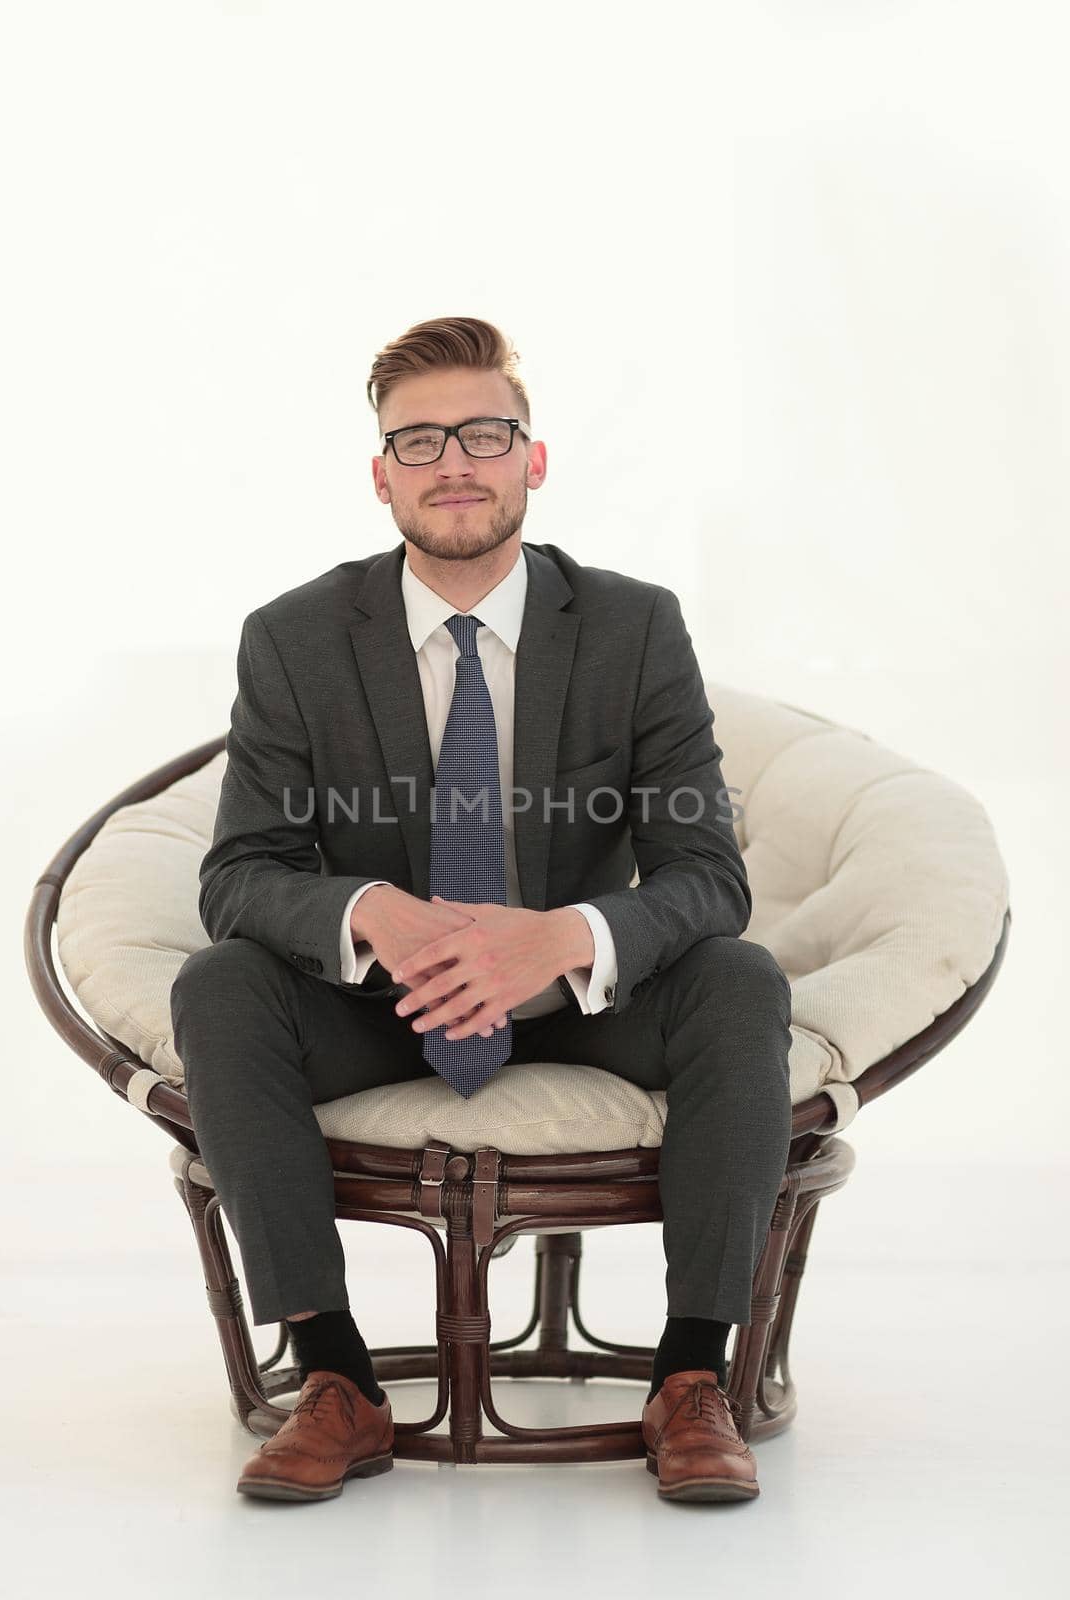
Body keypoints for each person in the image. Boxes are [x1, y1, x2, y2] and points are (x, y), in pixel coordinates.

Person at [170, 315, 793, 1505]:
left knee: (738, 977)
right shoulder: (295, 639)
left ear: (532, 459)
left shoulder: (632, 626)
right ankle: (335, 1378)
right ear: (381, 475)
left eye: (483, 432)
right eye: (418, 441)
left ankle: (690, 1374)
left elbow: (706, 872)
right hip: (381, 1000)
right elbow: (239, 872)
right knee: (219, 984)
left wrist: (564, 938)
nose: (452, 461)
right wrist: (369, 912)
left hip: (575, 998)